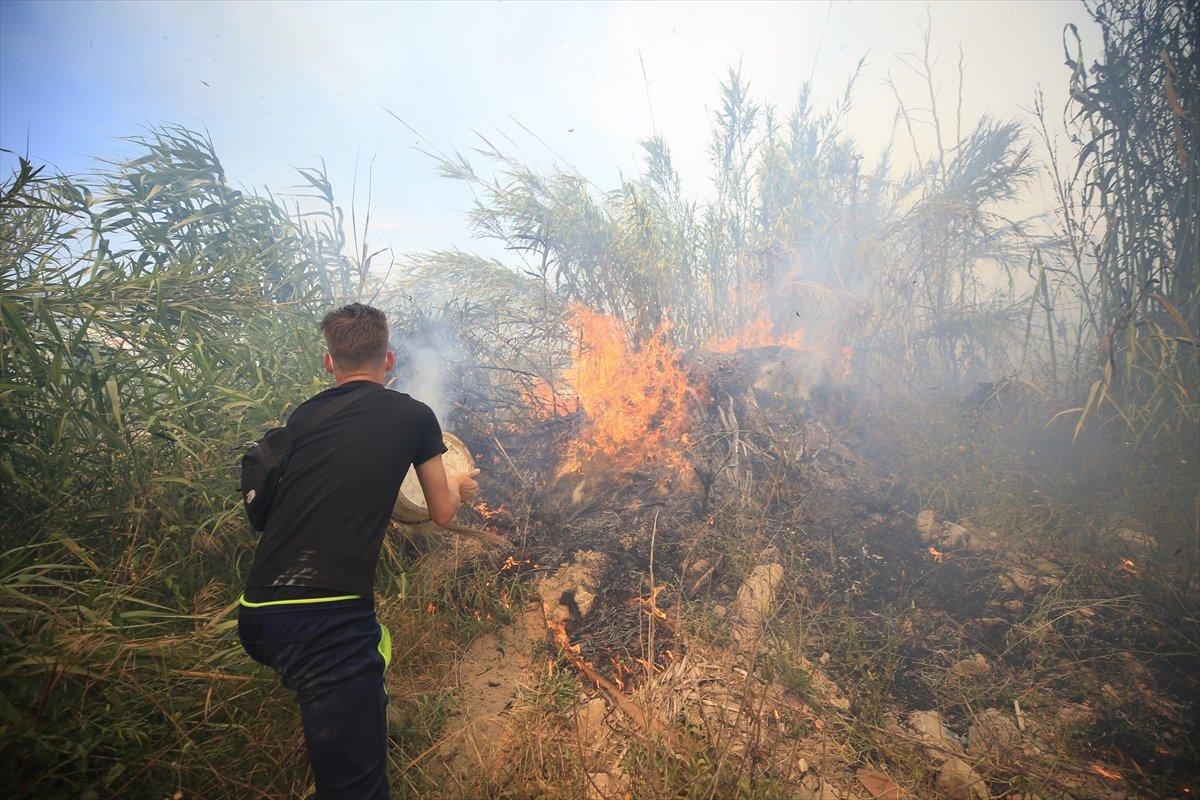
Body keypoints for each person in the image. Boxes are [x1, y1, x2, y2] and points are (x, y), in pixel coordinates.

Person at [237, 302, 479, 799]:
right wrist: (459, 484)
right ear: (388, 360)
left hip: (258, 613)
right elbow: (440, 511)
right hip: (325, 624)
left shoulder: (306, 416)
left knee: (374, 646)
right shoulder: (413, 415)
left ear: (329, 363)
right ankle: (351, 710)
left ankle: (359, 700)